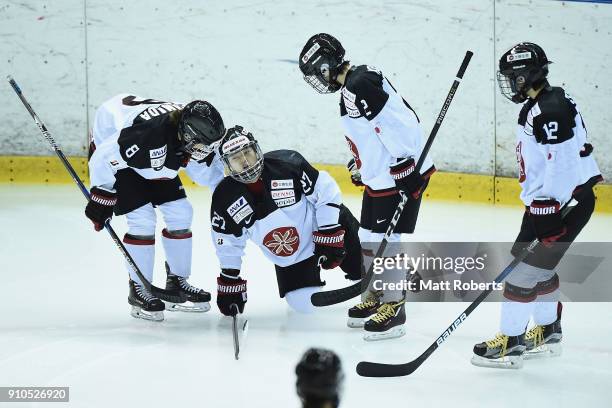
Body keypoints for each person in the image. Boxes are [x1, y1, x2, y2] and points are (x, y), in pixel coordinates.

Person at [472, 43, 602, 368]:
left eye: (513, 77)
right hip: (555, 202)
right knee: (541, 270)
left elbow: (563, 163)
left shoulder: (549, 109)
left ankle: (511, 342)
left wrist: (548, 209)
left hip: (561, 203)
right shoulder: (544, 102)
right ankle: (548, 330)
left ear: (527, 74)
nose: (510, 84)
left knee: (522, 273)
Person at [298, 33, 435, 340]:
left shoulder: (359, 83)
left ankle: (394, 305)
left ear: (325, 66)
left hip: (397, 173)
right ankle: (377, 293)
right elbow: (370, 133)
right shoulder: (354, 84)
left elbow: (396, 122)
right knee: (368, 236)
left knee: (389, 240)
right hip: (382, 176)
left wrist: (404, 164)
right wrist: (362, 166)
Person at [86, 94, 226, 321]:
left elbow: (204, 171)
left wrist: (223, 193)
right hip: (115, 142)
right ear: (187, 135)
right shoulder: (146, 135)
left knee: (181, 212)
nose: (205, 150)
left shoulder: (192, 132)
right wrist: (101, 196)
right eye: (201, 146)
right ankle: (139, 289)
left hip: (158, 149)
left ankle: (177, 282)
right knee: (142, 219)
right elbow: (103, 158)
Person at [209, 126, 362, 317]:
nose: (245, 162)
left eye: (247, 153)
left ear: (256, 150)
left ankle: (396, 273)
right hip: (293, 257)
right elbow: (227, 242)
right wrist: (229, 279)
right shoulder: (224, 198)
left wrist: (329, 232)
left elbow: (326, 189)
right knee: (304, 305)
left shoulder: (288, 164)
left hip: (323, 231)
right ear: (227, 164)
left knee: (379, 272)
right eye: (236, 158)